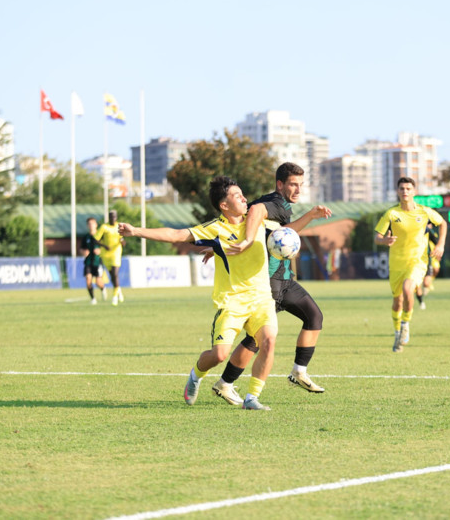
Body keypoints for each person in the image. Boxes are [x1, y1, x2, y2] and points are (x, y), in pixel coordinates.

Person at [118, 176, 278, 411]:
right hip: (232, 301)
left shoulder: (258, 220)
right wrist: (136, 231)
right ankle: (196, 375)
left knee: (269, 341)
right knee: (219, 355)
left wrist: (311, 217)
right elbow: (177, 235)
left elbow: (288, 232)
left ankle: (252, 397)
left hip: (262, 297)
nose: (244, 198)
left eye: (242, 193)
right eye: (237, 196)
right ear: (224, 205)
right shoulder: (216, 229)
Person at [212, 162, 332, 404]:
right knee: (258, 339)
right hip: (270, 281)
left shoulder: (284, 206)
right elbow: (255, 211)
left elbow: (284, 231)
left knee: (314, 317)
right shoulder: (273, 202)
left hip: (284, 278)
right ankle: (225, 383)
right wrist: (242, 242)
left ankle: (299, 371)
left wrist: (309, 215)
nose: (298, 189)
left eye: (300, 184)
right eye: (292, 184)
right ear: (280, 184)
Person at [374, 177, 447, 352]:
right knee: (397, 301)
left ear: (414, 191)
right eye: (402, 189)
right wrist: (386, 240)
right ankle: (397, 331)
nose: (405, 191)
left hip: (417, 261)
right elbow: (377, 238)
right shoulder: (392, 214)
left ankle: (406, 325)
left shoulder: (424, 211)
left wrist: (440, 245)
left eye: (408, 188)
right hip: (397, 263)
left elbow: (443, 223)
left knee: (408, 290)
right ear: (398, 192)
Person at [94, 210, 125, 306]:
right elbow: (95, 239)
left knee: (115, 274)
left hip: (116, 252)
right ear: (109, 217)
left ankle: (115, 297)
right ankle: (118, 289)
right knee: (112, 276)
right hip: (106, 254)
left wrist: (123, 242)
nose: (113, 218)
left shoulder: (118, 226)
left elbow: (121, 238)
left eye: (115, 216)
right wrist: (104, 245)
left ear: (116, 217)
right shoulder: (104, 227)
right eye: (111, 216)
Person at [81, 217, 107, 305]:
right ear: (87, 225)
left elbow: (107, 247)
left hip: (97, 261)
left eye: (93, 223)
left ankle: (103, 289)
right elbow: (81, 249)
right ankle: (93, 299)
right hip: (88, 262)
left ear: (96, 225)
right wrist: (84, 252)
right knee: (88, 280)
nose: (91, 225)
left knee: (98, 282)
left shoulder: (101, 236)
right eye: (89, 224)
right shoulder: (86, 237)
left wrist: (100, 251)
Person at [417, 223, 441, 310]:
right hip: (414, 260)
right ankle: (421, 301)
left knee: (426, 282)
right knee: (417, 284)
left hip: (427, 259)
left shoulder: (427, 231)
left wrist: (439, 249)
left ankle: (427, 288)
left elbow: (437, 241)